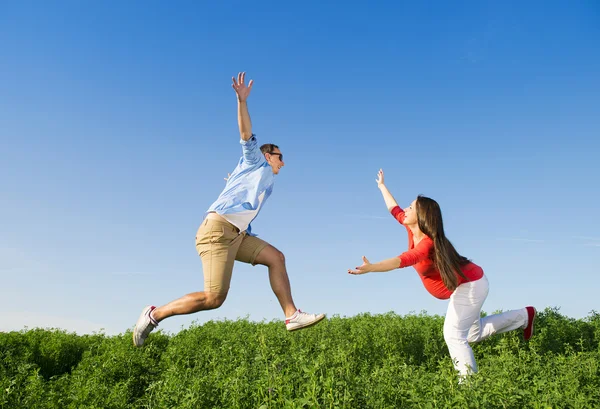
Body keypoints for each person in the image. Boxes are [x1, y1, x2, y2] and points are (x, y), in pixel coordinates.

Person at [133, 72, 325, 347]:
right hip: (217, 232)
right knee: (214, 298)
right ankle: (154, 315)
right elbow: (246, 136)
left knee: (276, 258)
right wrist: (242, 101)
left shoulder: (264, 182)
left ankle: (291, 315)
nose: (283, 162)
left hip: (237, 235)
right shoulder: (255, 162)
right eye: (281, 157)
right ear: (267, 155)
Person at [348, 169, 536, 379]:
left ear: (421, 217)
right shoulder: (411, 229)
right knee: (472, 334)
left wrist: (372, 267)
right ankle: (523, 316)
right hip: (466, 284)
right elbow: (394, 209)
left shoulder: (428, 244)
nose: (406, 210)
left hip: (471, 285)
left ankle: (469, 388)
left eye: (411, 207)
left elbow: (402, 260)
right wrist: (382, 185)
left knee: (454, 335)